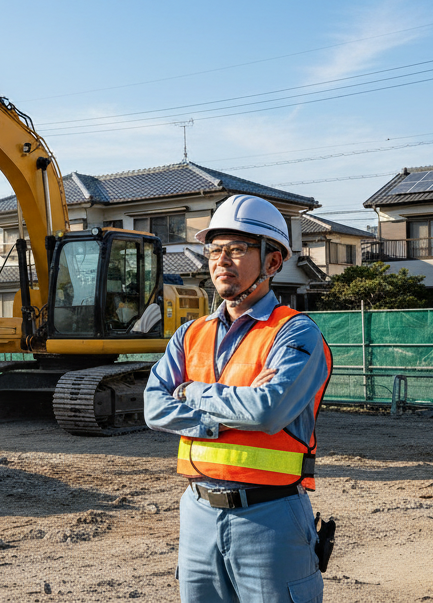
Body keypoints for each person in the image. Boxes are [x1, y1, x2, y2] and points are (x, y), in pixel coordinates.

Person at [144, 194, 332, 603]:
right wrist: (229, 410)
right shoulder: (190, 334)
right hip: (197, 513)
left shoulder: (296, 333)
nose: (221, 261)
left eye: (237, 249)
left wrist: (190, 392)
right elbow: (154, 407)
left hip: (270, 517)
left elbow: (268, 411)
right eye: (214, 250)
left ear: (272, 262)